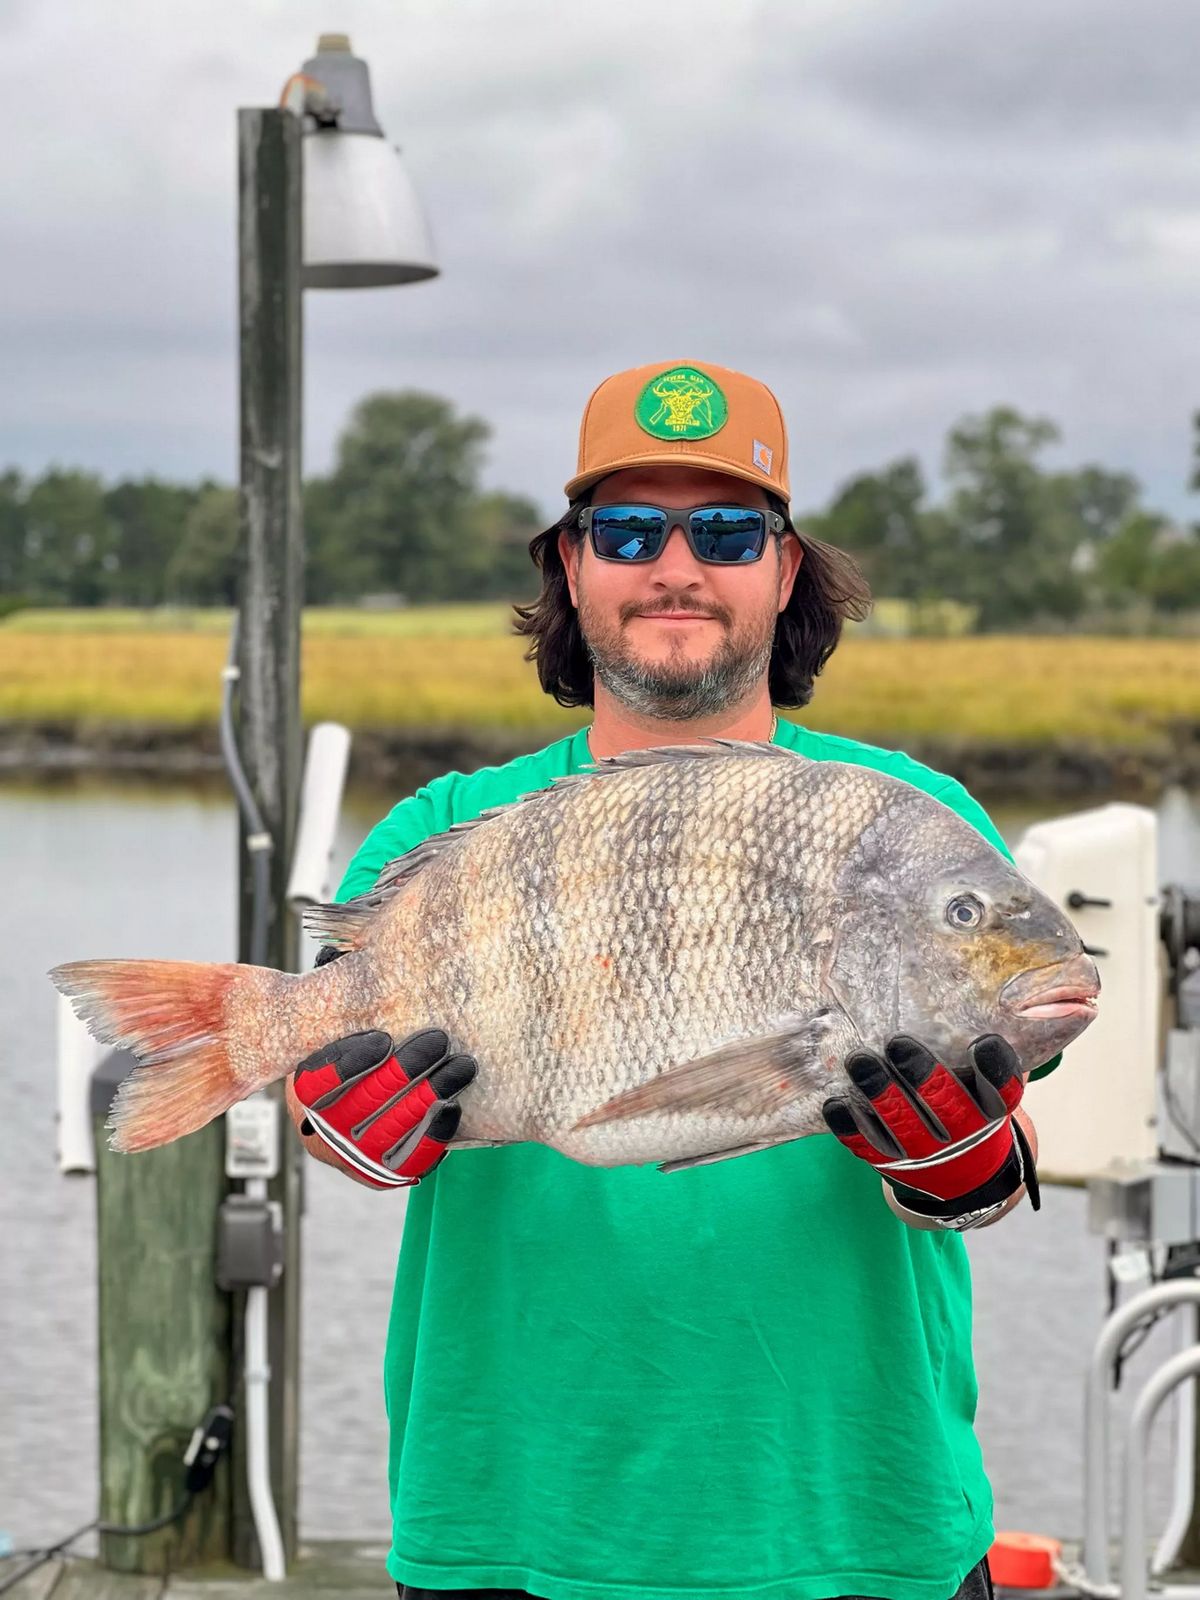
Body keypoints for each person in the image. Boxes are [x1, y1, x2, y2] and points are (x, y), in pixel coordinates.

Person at [284, 360, 1057, 1600]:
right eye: (630, 529)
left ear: (786, 568)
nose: (677, 567)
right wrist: (333, 1122)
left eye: (729, 530)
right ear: (572, 565)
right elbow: (330, 1094)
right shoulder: (449, 826)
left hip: (860, 1521)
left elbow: (996, 1173)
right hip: (512, 1517)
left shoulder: (914, 822)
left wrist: (956, 1163)